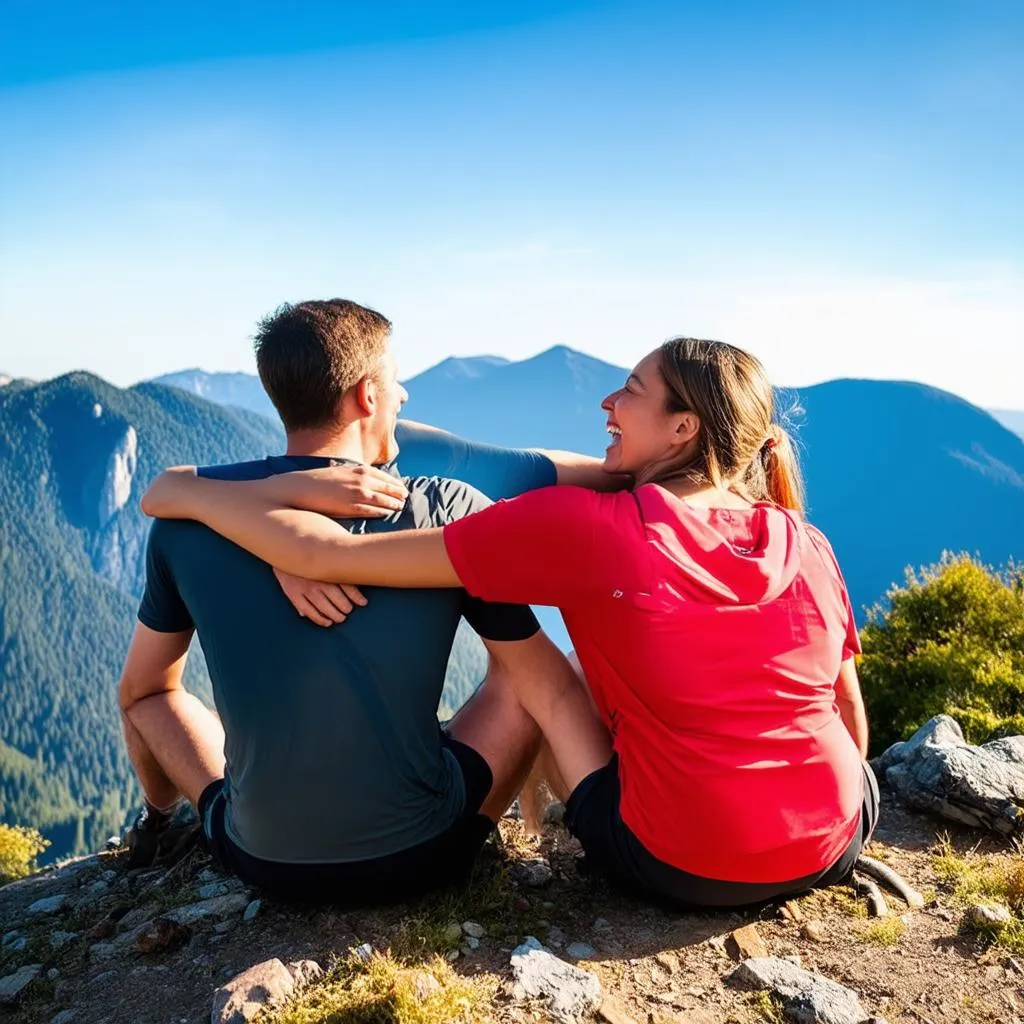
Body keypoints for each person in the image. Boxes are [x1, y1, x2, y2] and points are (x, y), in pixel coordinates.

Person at [142, 336, 876, 909]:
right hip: (837, 832)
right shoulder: (806, 539)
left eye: (631, 391)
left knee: (556, 677)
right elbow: (846, 709)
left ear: (682, 426)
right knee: (568, 667)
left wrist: (199, 493)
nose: (607, 404)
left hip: (677, 863)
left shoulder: (585, 527)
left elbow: (323, 554)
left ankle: (549, 830)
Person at [118, 297, 608, 905]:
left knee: (147, 694)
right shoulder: (447, 510)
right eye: (395, 382)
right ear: (366, 397)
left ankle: (159, 826)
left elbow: (143, 688)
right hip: (422, 855)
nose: (403, 397)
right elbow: (546, 687)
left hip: (262, 861)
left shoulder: (187, 524)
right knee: (525, 674)